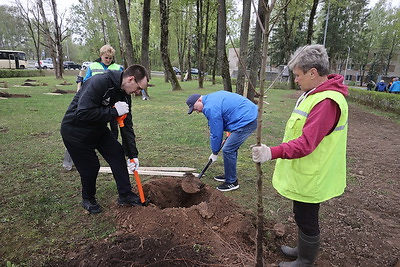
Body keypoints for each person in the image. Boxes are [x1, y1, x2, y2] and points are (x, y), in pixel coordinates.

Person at [252, 44, 348, 266]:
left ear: (312, 72)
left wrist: (271, 152)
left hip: (314, 174)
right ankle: (301, 250)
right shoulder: (314, 94)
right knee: (301, 214)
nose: (296, 79)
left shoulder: (326, 102)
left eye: (298, 75)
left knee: (307, 218)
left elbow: (306, 143)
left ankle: (305, 260)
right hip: (306, 171)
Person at [61, 64, 149, 214]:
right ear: (131, 79)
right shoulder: (99, 82)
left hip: (97, 128)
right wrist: (113, 111)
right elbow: (83, 113)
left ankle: (125, 194)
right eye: (139, 88)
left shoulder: (125, 93)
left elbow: (127, 125)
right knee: (91, 167)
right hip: (75, 132)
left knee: (116, 153)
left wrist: (132, 155)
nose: (138, 92)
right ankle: (88, 199)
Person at [186, 91, 258, 192]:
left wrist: (215, 151)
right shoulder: (211, 98)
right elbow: (228, 114)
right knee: (230, 147)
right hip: (244, 116)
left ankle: (232, 182)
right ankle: (229, 174)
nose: (197, 111)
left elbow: (216, 132)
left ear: (199, 100)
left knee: (228, 149)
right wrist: (228, 136)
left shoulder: (210, 107)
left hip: (247, 120)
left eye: (195, 108)